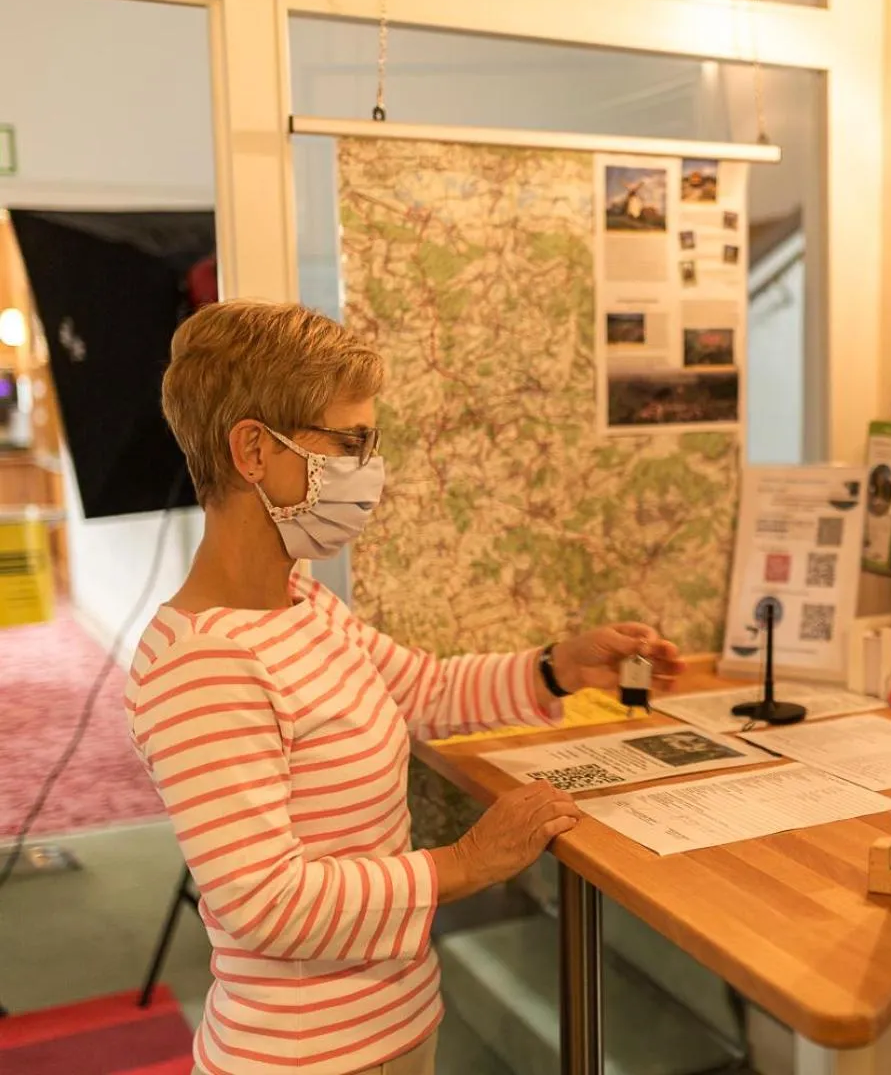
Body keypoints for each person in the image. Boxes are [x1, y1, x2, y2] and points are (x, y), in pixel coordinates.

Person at [125, 301, 686, 1075]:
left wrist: (560, 666)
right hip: (308, 1059)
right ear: (253, 449)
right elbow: (265, 903)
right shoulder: (202, 664)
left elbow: (424, 689)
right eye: (349, 442)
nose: (367, 467)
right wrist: (467, 861)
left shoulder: (300, 602)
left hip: (387, 1031)